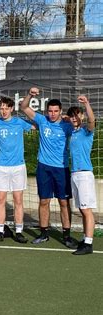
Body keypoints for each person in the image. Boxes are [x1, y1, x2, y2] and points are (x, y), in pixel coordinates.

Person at [21, 88, 78, 248]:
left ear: (60, 112)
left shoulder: (67, 126)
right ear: (47, 111)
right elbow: (24, 107)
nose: (52, 114)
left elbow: (83, 124)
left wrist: (69, 118)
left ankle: (66, 235)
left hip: (62, 168)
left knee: (63, 202)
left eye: (56, 111)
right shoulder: (42, 120)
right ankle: (44, 233)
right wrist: (30, 95)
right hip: (44, 167)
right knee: (44, 201)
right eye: (50, 111)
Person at [0, 97, 33, 243]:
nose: (4, 111)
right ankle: (0, 231)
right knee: (0, 200)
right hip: (2, 166)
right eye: (1, 108)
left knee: (18, 199)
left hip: (18, 166)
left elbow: (37, 126)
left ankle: (18, 231)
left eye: (6, 108)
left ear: (12, 109)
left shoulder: (19, 122)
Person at [65, 96, 96, 255]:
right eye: (72, 116)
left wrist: (86, 104)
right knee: (81, 209)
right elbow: (67, 119)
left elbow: (91, 120)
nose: (75, 118)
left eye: (77, 115)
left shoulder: (86, 131)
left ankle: (88, 244)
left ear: (81, 116)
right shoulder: (73, 132)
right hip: (74, 174)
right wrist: (67, 117)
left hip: (84, 174)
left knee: (86, 210)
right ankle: (85, 239)